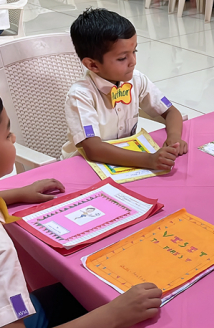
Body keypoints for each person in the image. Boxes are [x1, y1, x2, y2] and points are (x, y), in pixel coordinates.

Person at [0, 97, 164, 328]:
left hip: (16, 308)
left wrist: (15, 194)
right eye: (7, 135)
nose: (14, 138)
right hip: (17, 317)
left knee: (75, 291)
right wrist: (114, 316)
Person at [62, 8, 187, 172]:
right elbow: (93, 149)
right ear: (92, 65)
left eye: (134, 51)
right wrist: (149, 160)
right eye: (122, 58)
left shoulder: (137, 80)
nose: (133, 61)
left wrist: (174, 138)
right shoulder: (81, 95)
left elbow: (171, 112)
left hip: (127, 162)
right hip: (84, 167)